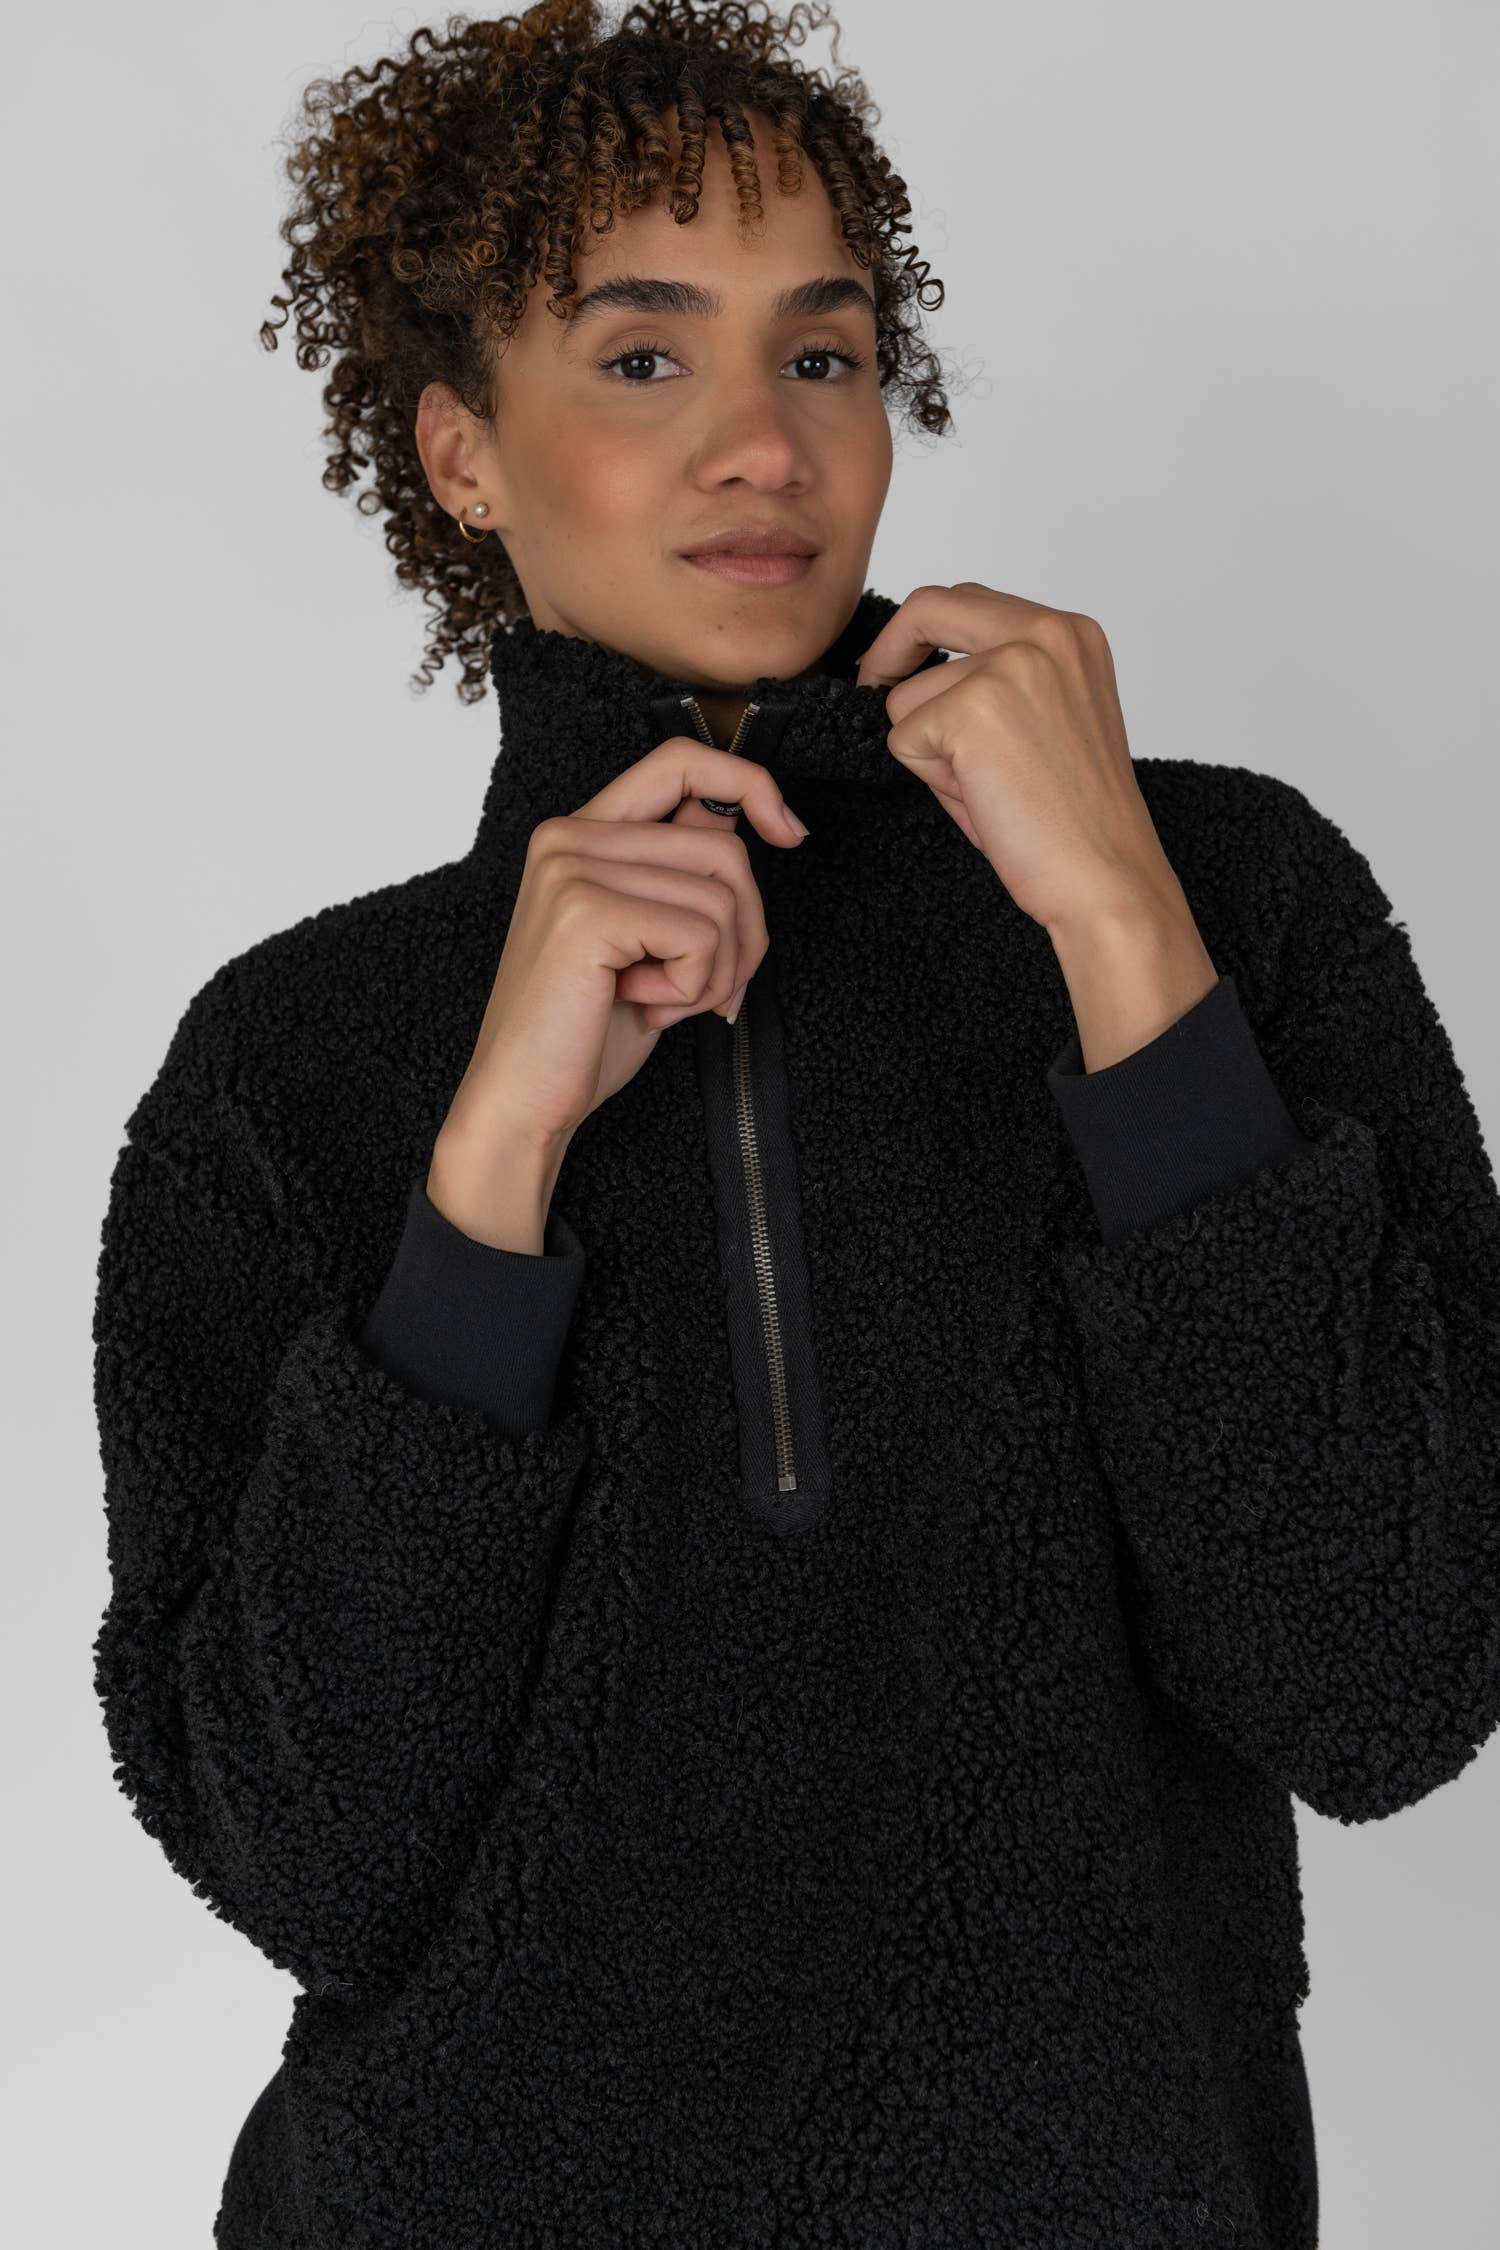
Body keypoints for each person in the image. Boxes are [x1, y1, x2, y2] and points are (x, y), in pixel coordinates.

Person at [91, 4, 1500, 2245]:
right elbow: (305, 1856)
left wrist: (1123, 928)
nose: (763, 444)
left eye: (823, 355)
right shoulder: (296, 1061)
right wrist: (489, 1170)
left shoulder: (1229, 894)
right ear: (463, 453)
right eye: (644, 357)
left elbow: (1383, 1680)